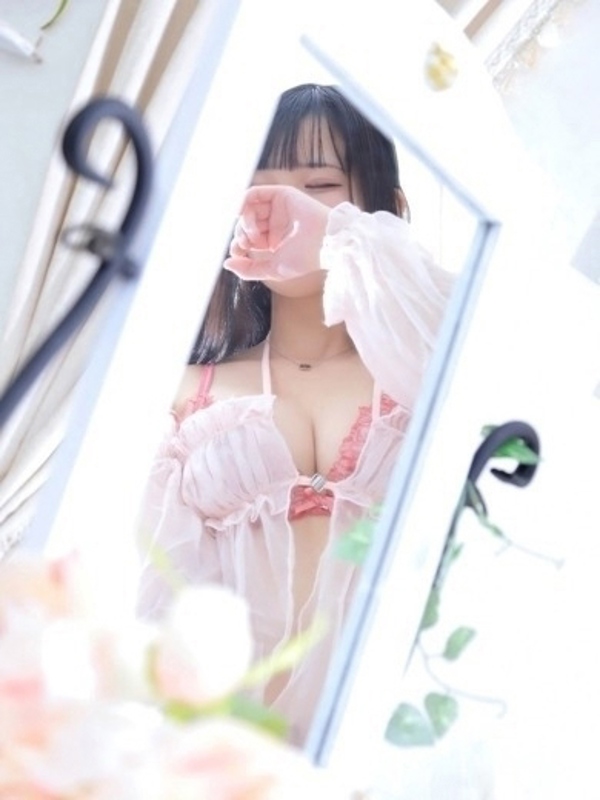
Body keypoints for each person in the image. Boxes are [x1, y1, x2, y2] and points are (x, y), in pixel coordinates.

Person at [135, 83, 454, 745]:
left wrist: (345, 244)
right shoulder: (183, 392)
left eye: (320, 186)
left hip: (383, 750)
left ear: (389, 211)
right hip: (218, 753)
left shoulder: (432, 368)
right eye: (260, 190)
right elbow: (147, 598)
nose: (285, 211)